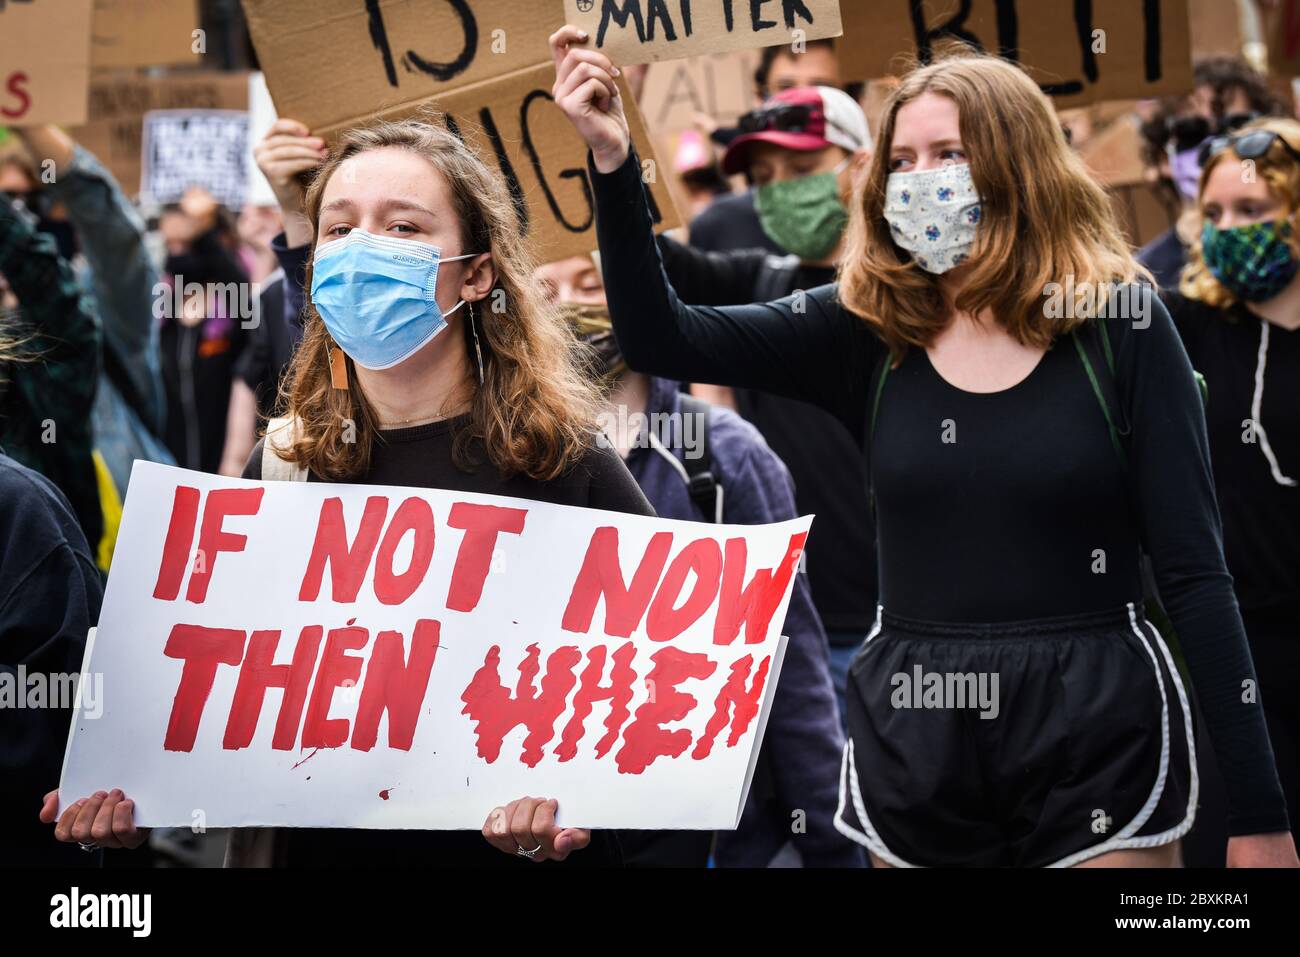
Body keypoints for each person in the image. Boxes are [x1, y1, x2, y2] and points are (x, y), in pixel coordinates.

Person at [551, 26, 1297, 867]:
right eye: (901, 161)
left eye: (948, 153)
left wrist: (1260, 814)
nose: (919, 179)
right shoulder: (863, 325)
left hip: (1098, 727)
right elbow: (660, 335)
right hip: (919, 732)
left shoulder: (1121, 323)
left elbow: (1197, 574)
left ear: (1019, 166)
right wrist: (614, 165)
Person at [42, 114, 656, 867]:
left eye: (402, 227)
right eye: (338, 229)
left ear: (477, 273)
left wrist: (567, 811)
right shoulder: (285, 464)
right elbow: (211, 700)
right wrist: (138, 793)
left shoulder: (564, 463)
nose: (362, 249)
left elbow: (648, 714)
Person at [538, 254, 862, 867]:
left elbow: (792, 671)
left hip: (725, 843)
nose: (572, 307)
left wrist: (829, 841)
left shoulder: (725, 456)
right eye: (546, 291)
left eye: (592, 284)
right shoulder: (505, 459)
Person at [653, 86, 878, 720]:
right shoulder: (761, 282)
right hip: (803, 622)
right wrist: (615, 144)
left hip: (913, 620)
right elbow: (651, 263)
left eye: (802, 170)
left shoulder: (912, 295)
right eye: (763, 176)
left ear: (860, 165)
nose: (780, 189)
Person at [1159, 116, 1300, 860]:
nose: (1228, 230)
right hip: (1233, 650)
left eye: (1252, 212)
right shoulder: (1185, 325)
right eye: (1213, 214)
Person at [1, 125, 174, 568]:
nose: (19, 218)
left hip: (143, 565)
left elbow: (117, 239)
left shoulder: (91, 310)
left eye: (28, 203)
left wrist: (32, 121)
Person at [1137, 57, 1288, 289]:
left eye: (1237, 127)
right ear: (1163, 157)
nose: (1215, 146)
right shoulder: (1146, 280)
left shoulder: (1290, 251)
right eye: (1191, 133)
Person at [691, 39, 852, 255]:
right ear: (761, 98)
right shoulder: (717, 225)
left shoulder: (895, 229)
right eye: (785, 88)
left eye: (821, 88)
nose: (800, 100)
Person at [157, 187, 251, 473]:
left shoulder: (238, 304)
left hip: (228, 474)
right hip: (173, 472)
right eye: (169, 245)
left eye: (186, 243)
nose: (176, 254)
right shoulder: (164, 310)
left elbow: (239, 285)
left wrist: (204, 226)